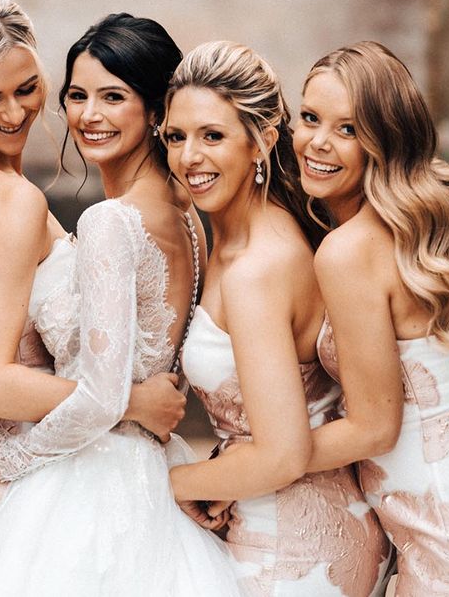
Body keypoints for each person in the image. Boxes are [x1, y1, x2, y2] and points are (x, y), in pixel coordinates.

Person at [0, 0, 187, 597]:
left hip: (27, 456)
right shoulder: (9, 200)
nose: (16, 113)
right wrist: (130, 402)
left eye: (28, 88)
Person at [0, 12, 243, 596]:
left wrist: (3, 460)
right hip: (138, 464)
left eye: (113, 97)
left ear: (155, 110)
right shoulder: (185, 214)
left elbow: (99, 395)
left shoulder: (112, 221)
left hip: (89, 478)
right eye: (78, 95)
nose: (89, 115)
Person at [293, 41, 449, 594]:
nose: (317, 143)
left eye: (348, 129)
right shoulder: (426, 223)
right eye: (309, 118)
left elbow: (374, 427)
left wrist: (264, 459)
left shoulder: (349, 251)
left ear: (385, 138)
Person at [163, 40, 393, 596]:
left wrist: (167, 482)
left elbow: (281, 452)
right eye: (176, 136)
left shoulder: (258, 269)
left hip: (295, 544)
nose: (189, 156)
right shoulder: (228, 240)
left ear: (262, 141)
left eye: (212, 136)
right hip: (275, 515)